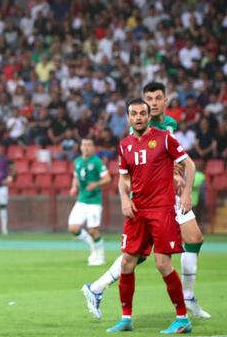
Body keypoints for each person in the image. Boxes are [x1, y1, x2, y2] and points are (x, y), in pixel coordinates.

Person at [83, 82, 210, 319]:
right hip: (150, 197)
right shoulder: (139, 130)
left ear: (165, 101)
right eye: (148, 99)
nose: (153, 103)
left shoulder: (169, 125)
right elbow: (137, 167)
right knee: (138, 255)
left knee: (193, 239)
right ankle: (100, 289)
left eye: (157, 98)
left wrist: (176, 174)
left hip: (167, 195)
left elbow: (172, 158)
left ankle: (186, 296)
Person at [103, 98, 194, 334]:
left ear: (148, 116)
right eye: (134, 114)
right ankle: (125, 318)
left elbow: (190, 165)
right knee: (127, 262)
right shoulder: (124, 145)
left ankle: (182, 318)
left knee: (163, 264)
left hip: (162, 209)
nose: (139, 117)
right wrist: (124, 198)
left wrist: (186, 194)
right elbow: (124, 178)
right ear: (128, 117)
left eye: (142, 113)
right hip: (137, 210)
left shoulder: (164, 138)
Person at [68, 138, 110, 266]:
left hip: (94, 201)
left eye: (89, 145)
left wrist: (96, 184)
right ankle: (92, 244)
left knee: (93, 230)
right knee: (73, 228)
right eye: (84, 145)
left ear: (93, 148)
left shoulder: (97, 162)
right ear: (80, 147)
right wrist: (74, 187)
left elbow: (107, 178)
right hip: (82, 199)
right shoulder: (77, 161)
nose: (86, 147)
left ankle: (100, 257)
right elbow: (76, 176)